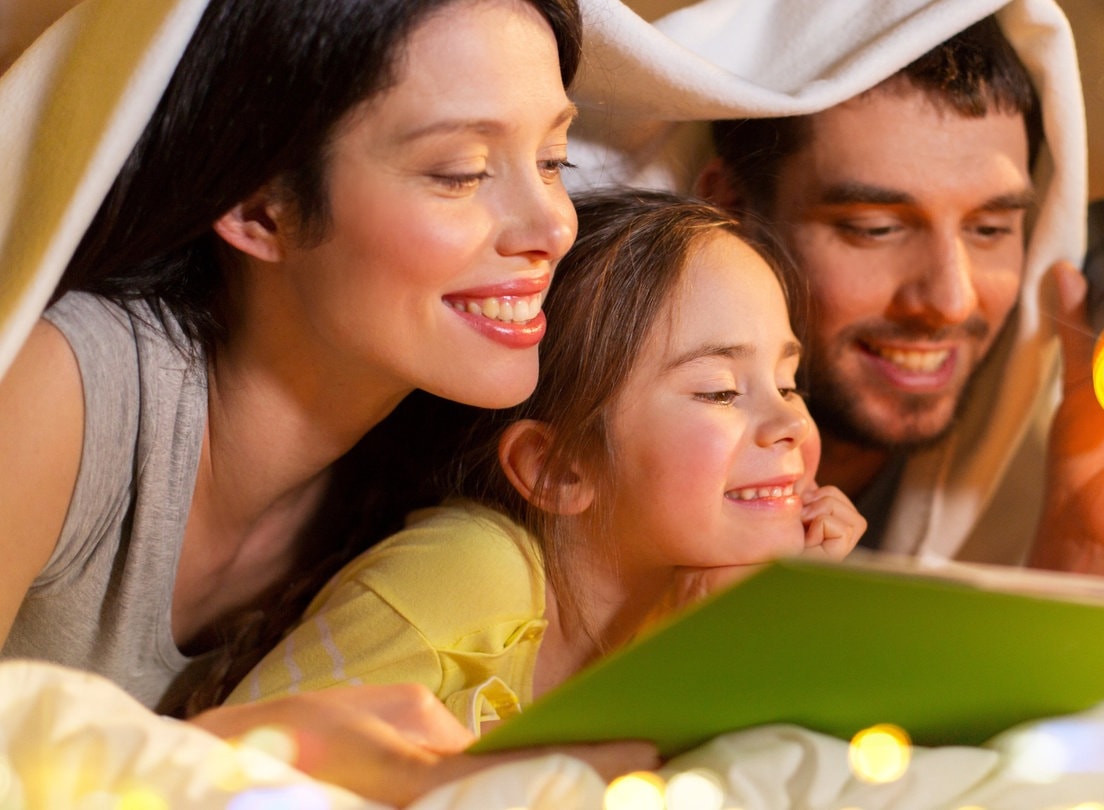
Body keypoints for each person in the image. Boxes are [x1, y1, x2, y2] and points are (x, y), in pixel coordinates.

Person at [0, 0, 657, 801]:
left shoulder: (440, 493)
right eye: (460, 171)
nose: (550, 225)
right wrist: (226, 752)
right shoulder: (63, 391)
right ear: (258, 206)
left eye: (555, 161)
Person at [223, 189, 866, 733]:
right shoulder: (468, 573)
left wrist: (762, 630)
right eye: (720, 390)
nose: (790, 424)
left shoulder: (696, 603)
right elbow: (223, 775)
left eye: (788, 382)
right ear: (559, 469)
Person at [693, 13, 1104, 580]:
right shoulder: (619, 496)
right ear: (730, 212)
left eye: (989, 230)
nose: (953, 300)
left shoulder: (1037, 451)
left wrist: (1088, 539)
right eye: (875, 228)